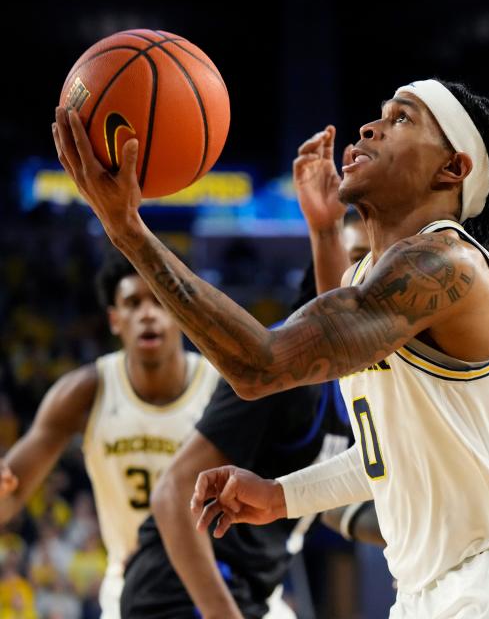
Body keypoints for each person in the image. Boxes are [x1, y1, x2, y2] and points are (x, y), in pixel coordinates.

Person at [52, 79, 489, 618]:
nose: (369, 126)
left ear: (452, 168)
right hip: (437, 586)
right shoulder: (381, 277)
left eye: (401, 119)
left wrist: (127, 230)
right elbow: (387, 451)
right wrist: (279, 496)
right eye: (381, 114)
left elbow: (261, 364)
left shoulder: (443, 262)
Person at [120, 130, 374, 619]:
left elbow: (326, 494)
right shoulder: (282, 369)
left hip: (249, 592)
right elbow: (175, 492)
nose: (374, 277)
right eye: (358, 258)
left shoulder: (368, 379)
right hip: (181, 591)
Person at [0, 249, 220, 618]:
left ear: (185, 311)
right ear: (115, 320)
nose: (147, 314)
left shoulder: (220, 388)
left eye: (160, 301)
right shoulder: (85, 391)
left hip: (220, 576)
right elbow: (12, 492)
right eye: (133, 303)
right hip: (131, 579)